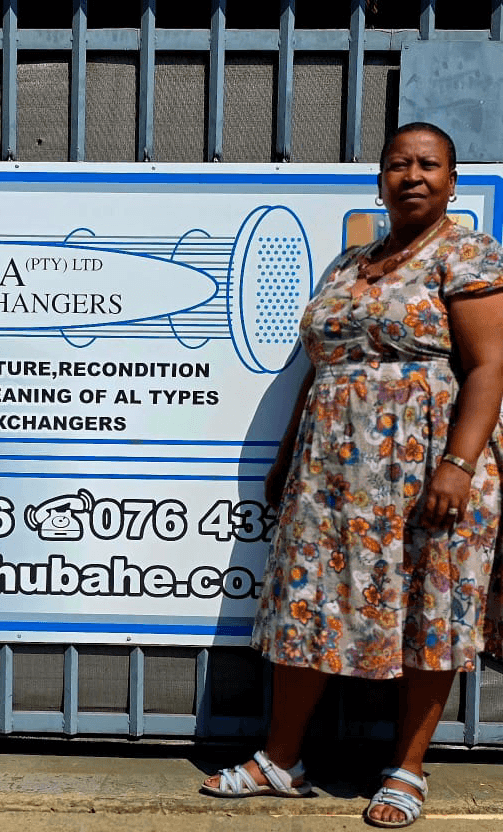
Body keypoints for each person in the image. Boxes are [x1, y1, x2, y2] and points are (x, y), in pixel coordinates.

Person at [201, 121, 503, 829]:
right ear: (380, 180)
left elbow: (490, 366)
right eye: (398, 164)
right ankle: (281, 760)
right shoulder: (348, 264)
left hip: (426, 464)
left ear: (452, 181)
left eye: (429, 164)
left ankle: (407, 769)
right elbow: (319, 368)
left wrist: (458, 465)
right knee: (306, 601)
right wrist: (285, 455)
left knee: (430, 605)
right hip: (329, 472)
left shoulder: (468, 253)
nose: (412, 175)